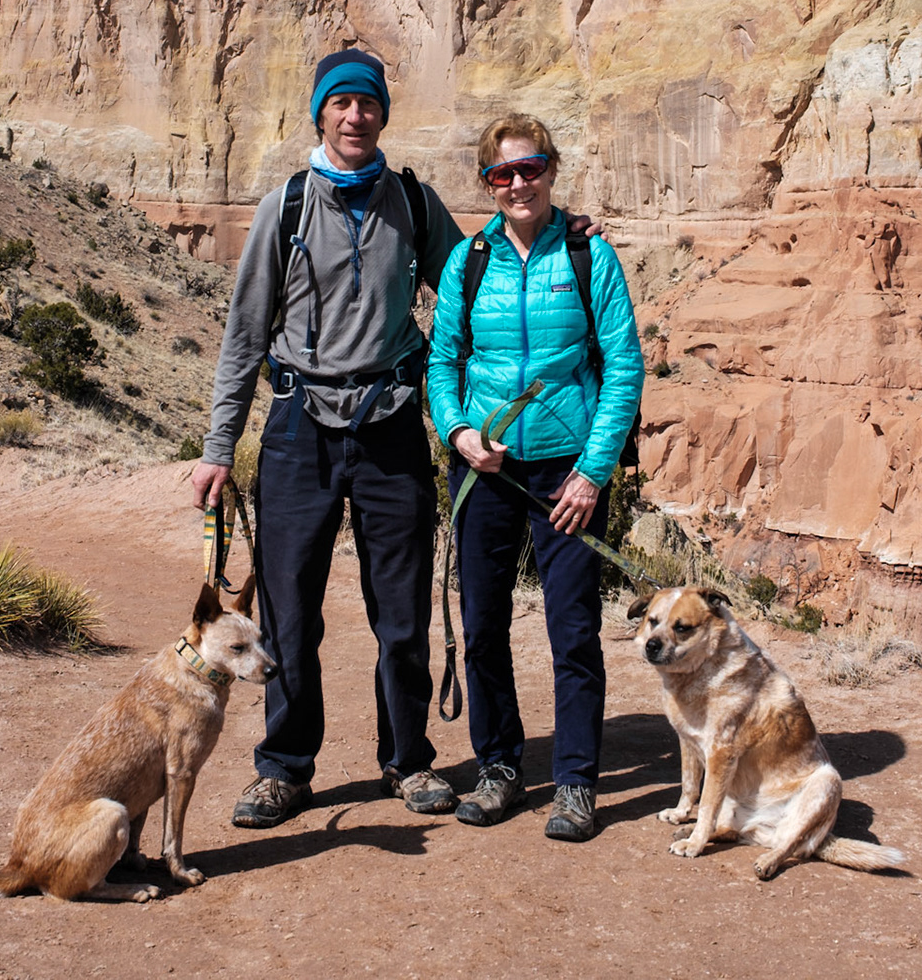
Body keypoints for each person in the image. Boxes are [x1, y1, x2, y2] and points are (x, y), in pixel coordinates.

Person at [190, 48, 463, 827]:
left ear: (382, 114)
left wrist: (561, 238)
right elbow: (244, 337)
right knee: (288, 615)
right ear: (321, 113)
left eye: (367, 104)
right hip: (298, 430)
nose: (355, 116)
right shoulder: (286, 206)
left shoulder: (412, 201)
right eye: (341, 104)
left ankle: (407, 762)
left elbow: (477, 283)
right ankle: (285, 768)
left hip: (390, 428)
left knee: (402, 614)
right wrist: (218, 449)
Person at [426, 114, 644, 841]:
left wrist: (592, 472)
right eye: (503, 173)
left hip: (566, 472)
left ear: (552, 171)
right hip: (485, 470)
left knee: (572, 632)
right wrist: (458, 431)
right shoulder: (470, 261)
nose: (519, 183)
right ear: (487, 182)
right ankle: (498, 769)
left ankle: (577, 782)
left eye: (532, 168)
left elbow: (622, 367)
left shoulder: (588, 256)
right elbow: (442, 360)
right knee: (483, 627)